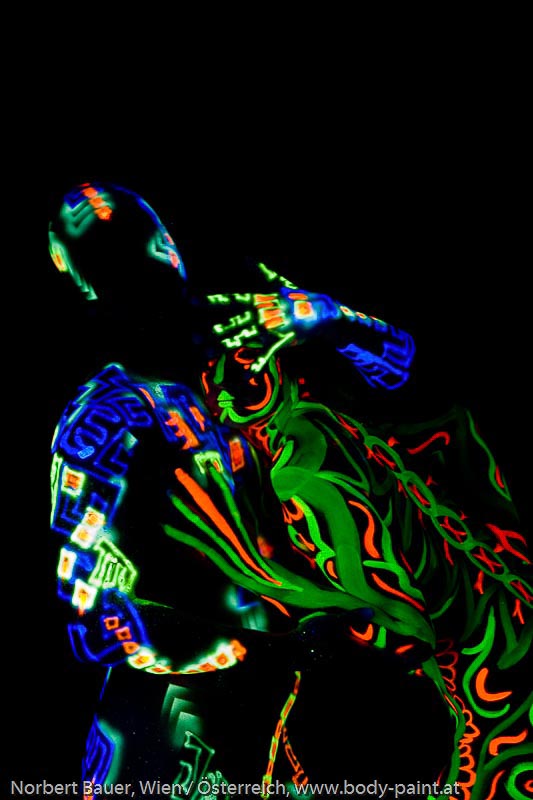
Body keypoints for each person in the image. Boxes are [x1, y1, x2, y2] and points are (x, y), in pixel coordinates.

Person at [48, 181, 531, 798]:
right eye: (117, 271)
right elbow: (93, 622)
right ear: (86, 293)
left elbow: (416, 381)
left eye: (150, 252)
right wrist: (275, 648)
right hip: (201, 719)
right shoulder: (103, 423)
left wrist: (333, 321)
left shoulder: (255, 330)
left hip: (371, 672)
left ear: (172, 247)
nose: (155, 283)